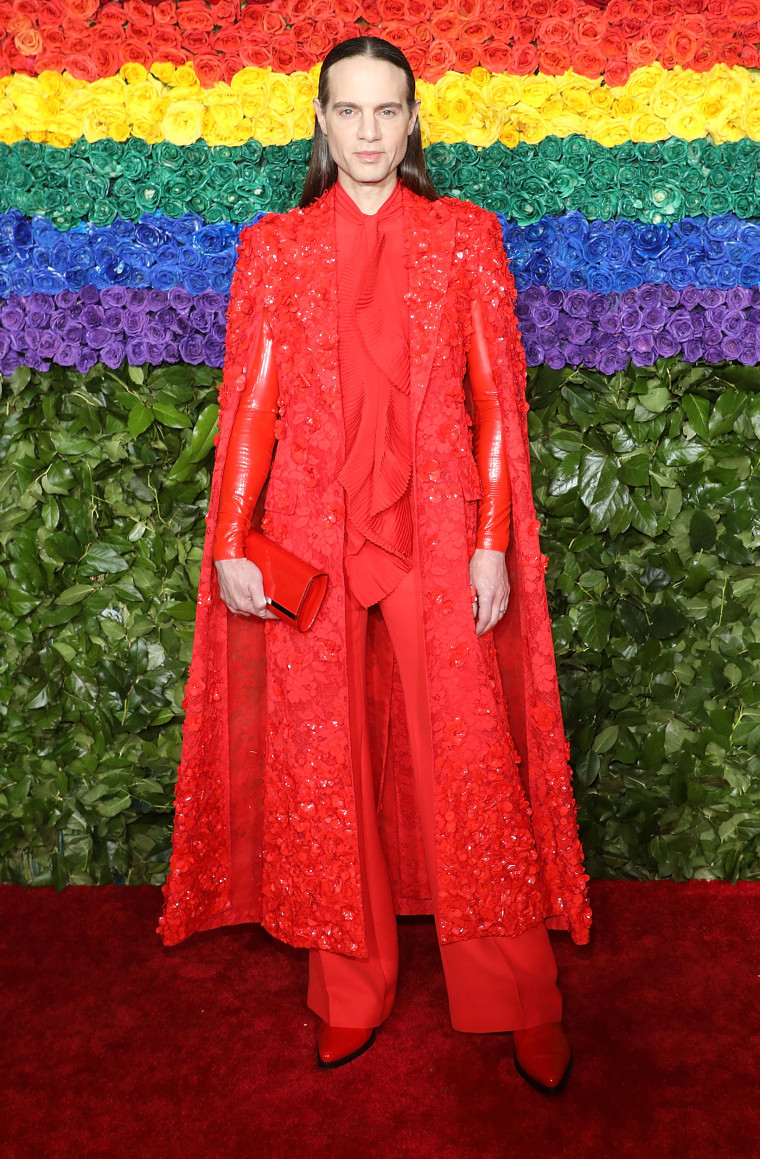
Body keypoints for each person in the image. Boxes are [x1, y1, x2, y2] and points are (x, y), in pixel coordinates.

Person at [157, 36, 591, 1093]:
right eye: (345, 110)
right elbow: (251, 406)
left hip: (440, 533)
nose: (365, 131)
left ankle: (515, 993)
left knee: (469, 755)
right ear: (319, 120)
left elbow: (496, 404)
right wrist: (229, 543)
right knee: (325, 766)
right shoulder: (274, 247)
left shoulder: (464, 239)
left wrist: (491, 536)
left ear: (411, 122)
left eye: (384, 110)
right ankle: (349, 992)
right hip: (311, 531)